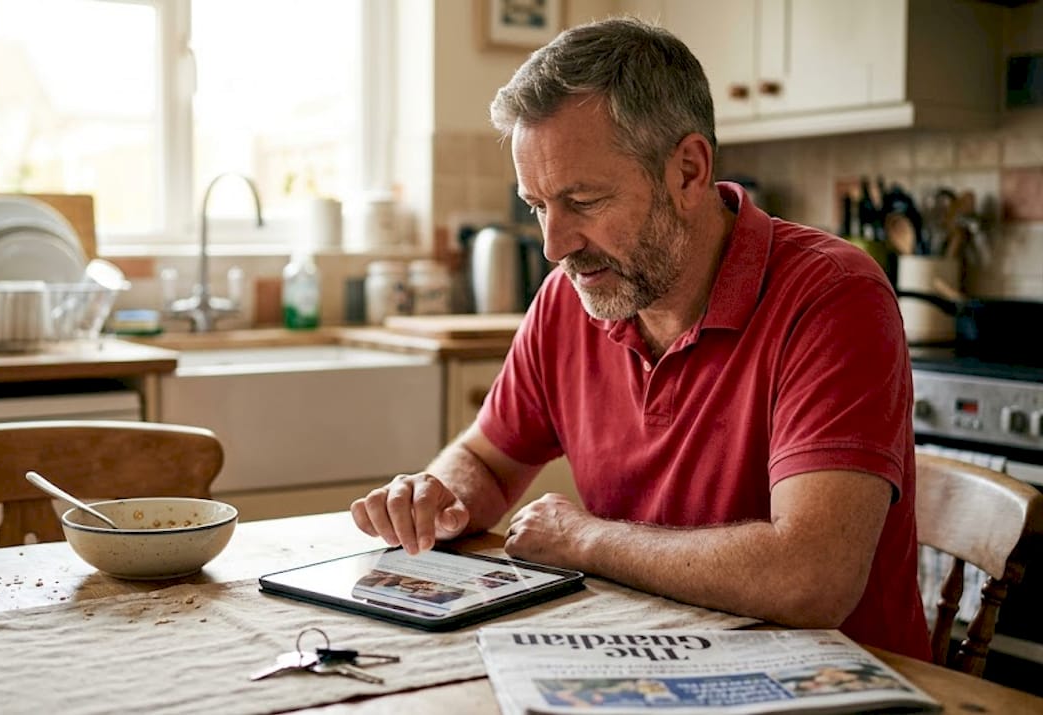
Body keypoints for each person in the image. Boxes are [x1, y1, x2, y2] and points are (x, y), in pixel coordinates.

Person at [350, 15, 931, 661]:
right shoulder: (571, 300)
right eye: (537, 205)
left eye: (585, 200)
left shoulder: (832, 295)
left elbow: (810, 578)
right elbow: (487, 461)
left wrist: (585, 540)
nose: (553, 245)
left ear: (687, 170)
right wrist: (437, 494)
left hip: (838, 685)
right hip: (645, 660)